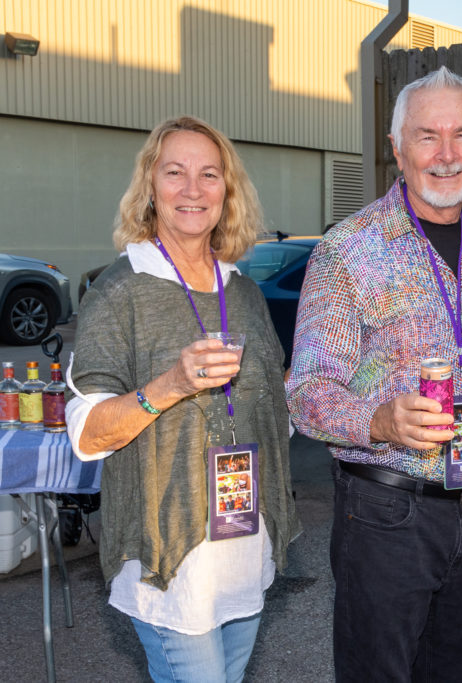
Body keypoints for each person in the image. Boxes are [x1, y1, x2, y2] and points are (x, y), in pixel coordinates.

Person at [285, 66, 462, 682]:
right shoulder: (347, 248)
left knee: (457, 673)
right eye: (426, 135)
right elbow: (305, 395)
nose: (445, 154)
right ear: (397, 148)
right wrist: (380, 418)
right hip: (387, 512)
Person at [67, 115, 301, 682]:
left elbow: (277, 413)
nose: (193, 190)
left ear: (228, 190)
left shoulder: (243, 292)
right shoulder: (119, 290)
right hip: (170, 561)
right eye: (175, 173)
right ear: (150, 187)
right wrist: (170, 384)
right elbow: (87, 433)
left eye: (209, 174)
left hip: (244, 546)